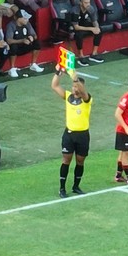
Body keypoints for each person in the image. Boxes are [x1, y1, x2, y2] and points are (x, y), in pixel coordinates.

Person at [52, 68, 92, 198]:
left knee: (80, 161)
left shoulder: (87, 99)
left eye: (77, 86)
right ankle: (62, 188)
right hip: (69, 135)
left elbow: (84, 93)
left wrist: (75, 78)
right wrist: (58, 72)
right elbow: (55, 85)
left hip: (83, 135)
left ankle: (76, 186)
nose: (75, 88)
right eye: (73, 86)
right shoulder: (68, 96)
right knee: (66, 160)